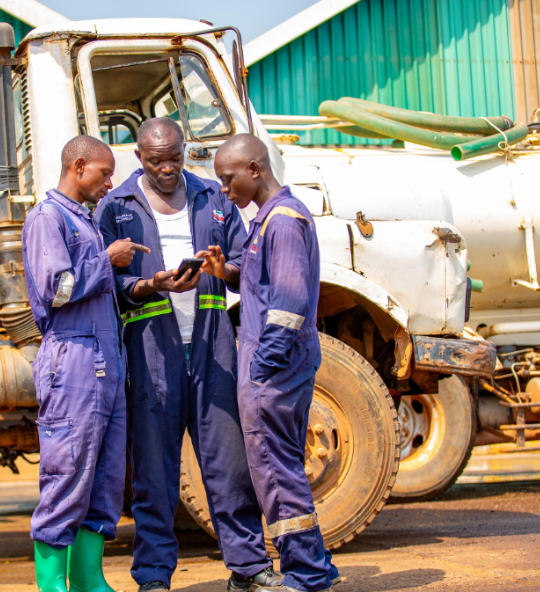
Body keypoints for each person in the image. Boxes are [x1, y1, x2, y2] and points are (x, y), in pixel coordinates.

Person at [95, 118, 280, 592]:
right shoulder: (115, 207)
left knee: (229, 465)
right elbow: (106, 283)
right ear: (140, 156)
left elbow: (246, 263)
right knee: (153, 474)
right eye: (157, 161)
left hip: (211, 347)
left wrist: (222, 269)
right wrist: (150, 284)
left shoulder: (212, 197)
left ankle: (248, 568)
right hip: (151, 354)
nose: (168, 168)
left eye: (175, 158)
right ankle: (154, 577)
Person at [213, 134, 340, 592]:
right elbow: (261, 285)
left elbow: (288, 303)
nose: (225, 189)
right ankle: (315, 567)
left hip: (275, 368)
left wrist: (261, 368)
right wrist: (225, 273)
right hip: (278, 365)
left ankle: (306, 575)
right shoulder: (268, 219)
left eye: (228, 178)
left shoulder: (282, 222)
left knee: (276, 472)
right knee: (281, 468)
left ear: (254, 169)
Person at [22, 135, 149, 592]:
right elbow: (56, 290)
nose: (109, 183)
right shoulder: (47, 218)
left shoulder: (85, 220)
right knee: (67, 470)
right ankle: (52, 584)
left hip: (105, 362)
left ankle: (88, 578)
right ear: (78, 166)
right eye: (104, 173)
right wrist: (106, 259)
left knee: (106, 475)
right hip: (72, 362)